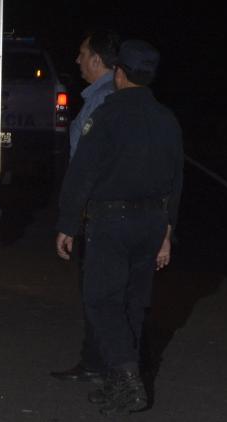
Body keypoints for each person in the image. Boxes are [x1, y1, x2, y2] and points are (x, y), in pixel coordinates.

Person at [55, 40, 181, 416]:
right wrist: (168, 234)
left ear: (120, 74)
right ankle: (117, 384)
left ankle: (127, 377)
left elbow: (82, 173)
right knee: (133, 304)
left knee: (102, 301)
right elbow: (177, 181)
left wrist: (67, 223)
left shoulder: (109, 115)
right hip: (152, 222)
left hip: (112, 222)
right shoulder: (166, 119)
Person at [51, 29, 120, 384]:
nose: (77, 60)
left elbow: (89, 164)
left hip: (100, 212)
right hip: (99, 210)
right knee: (97, 292)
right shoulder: (102, 97)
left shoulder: (104, 100)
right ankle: (96, 360)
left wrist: (74, 214)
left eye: (82, 53)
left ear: (97, 59)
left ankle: (105, 365)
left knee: (99, 293)